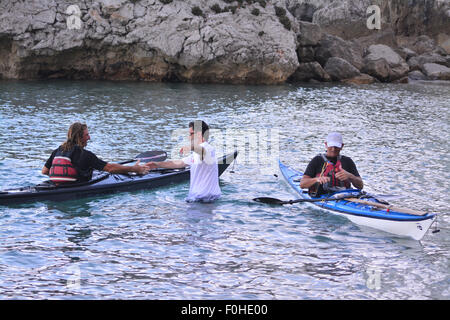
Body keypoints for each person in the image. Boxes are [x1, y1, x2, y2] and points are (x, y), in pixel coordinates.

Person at [42, 122, 150, 184]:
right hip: (75, 188)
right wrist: (134, 169)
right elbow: (110, 168)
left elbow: (45, 171)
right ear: (80, 138)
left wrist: (62, 176)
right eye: (87, 135)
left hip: (57, 186)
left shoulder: (58, 150)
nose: (89, 138)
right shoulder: (86, 155)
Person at [147, 120, 221, 202]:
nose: (189, 137)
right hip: (198, 199)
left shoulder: (209, 149)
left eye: (191, 134)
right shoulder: (195, 154)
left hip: (206, 200)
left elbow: (203, 152)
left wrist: (191, 147)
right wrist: (157, 164)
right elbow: (179, 163)